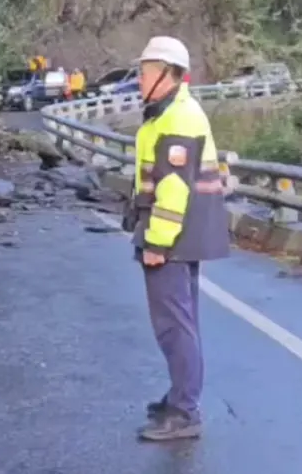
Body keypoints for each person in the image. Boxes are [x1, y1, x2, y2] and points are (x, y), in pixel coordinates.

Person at [122, 36, 230, 441]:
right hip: (183, 234)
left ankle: (184, 411)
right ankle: (180, 397)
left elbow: (174, 188)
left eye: (146, 71)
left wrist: (156, 243)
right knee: (182, 320)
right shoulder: (166, 112)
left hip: (175, 237)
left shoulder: (178, 118)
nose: (139, 78)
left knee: (174, 325)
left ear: (170, 75)